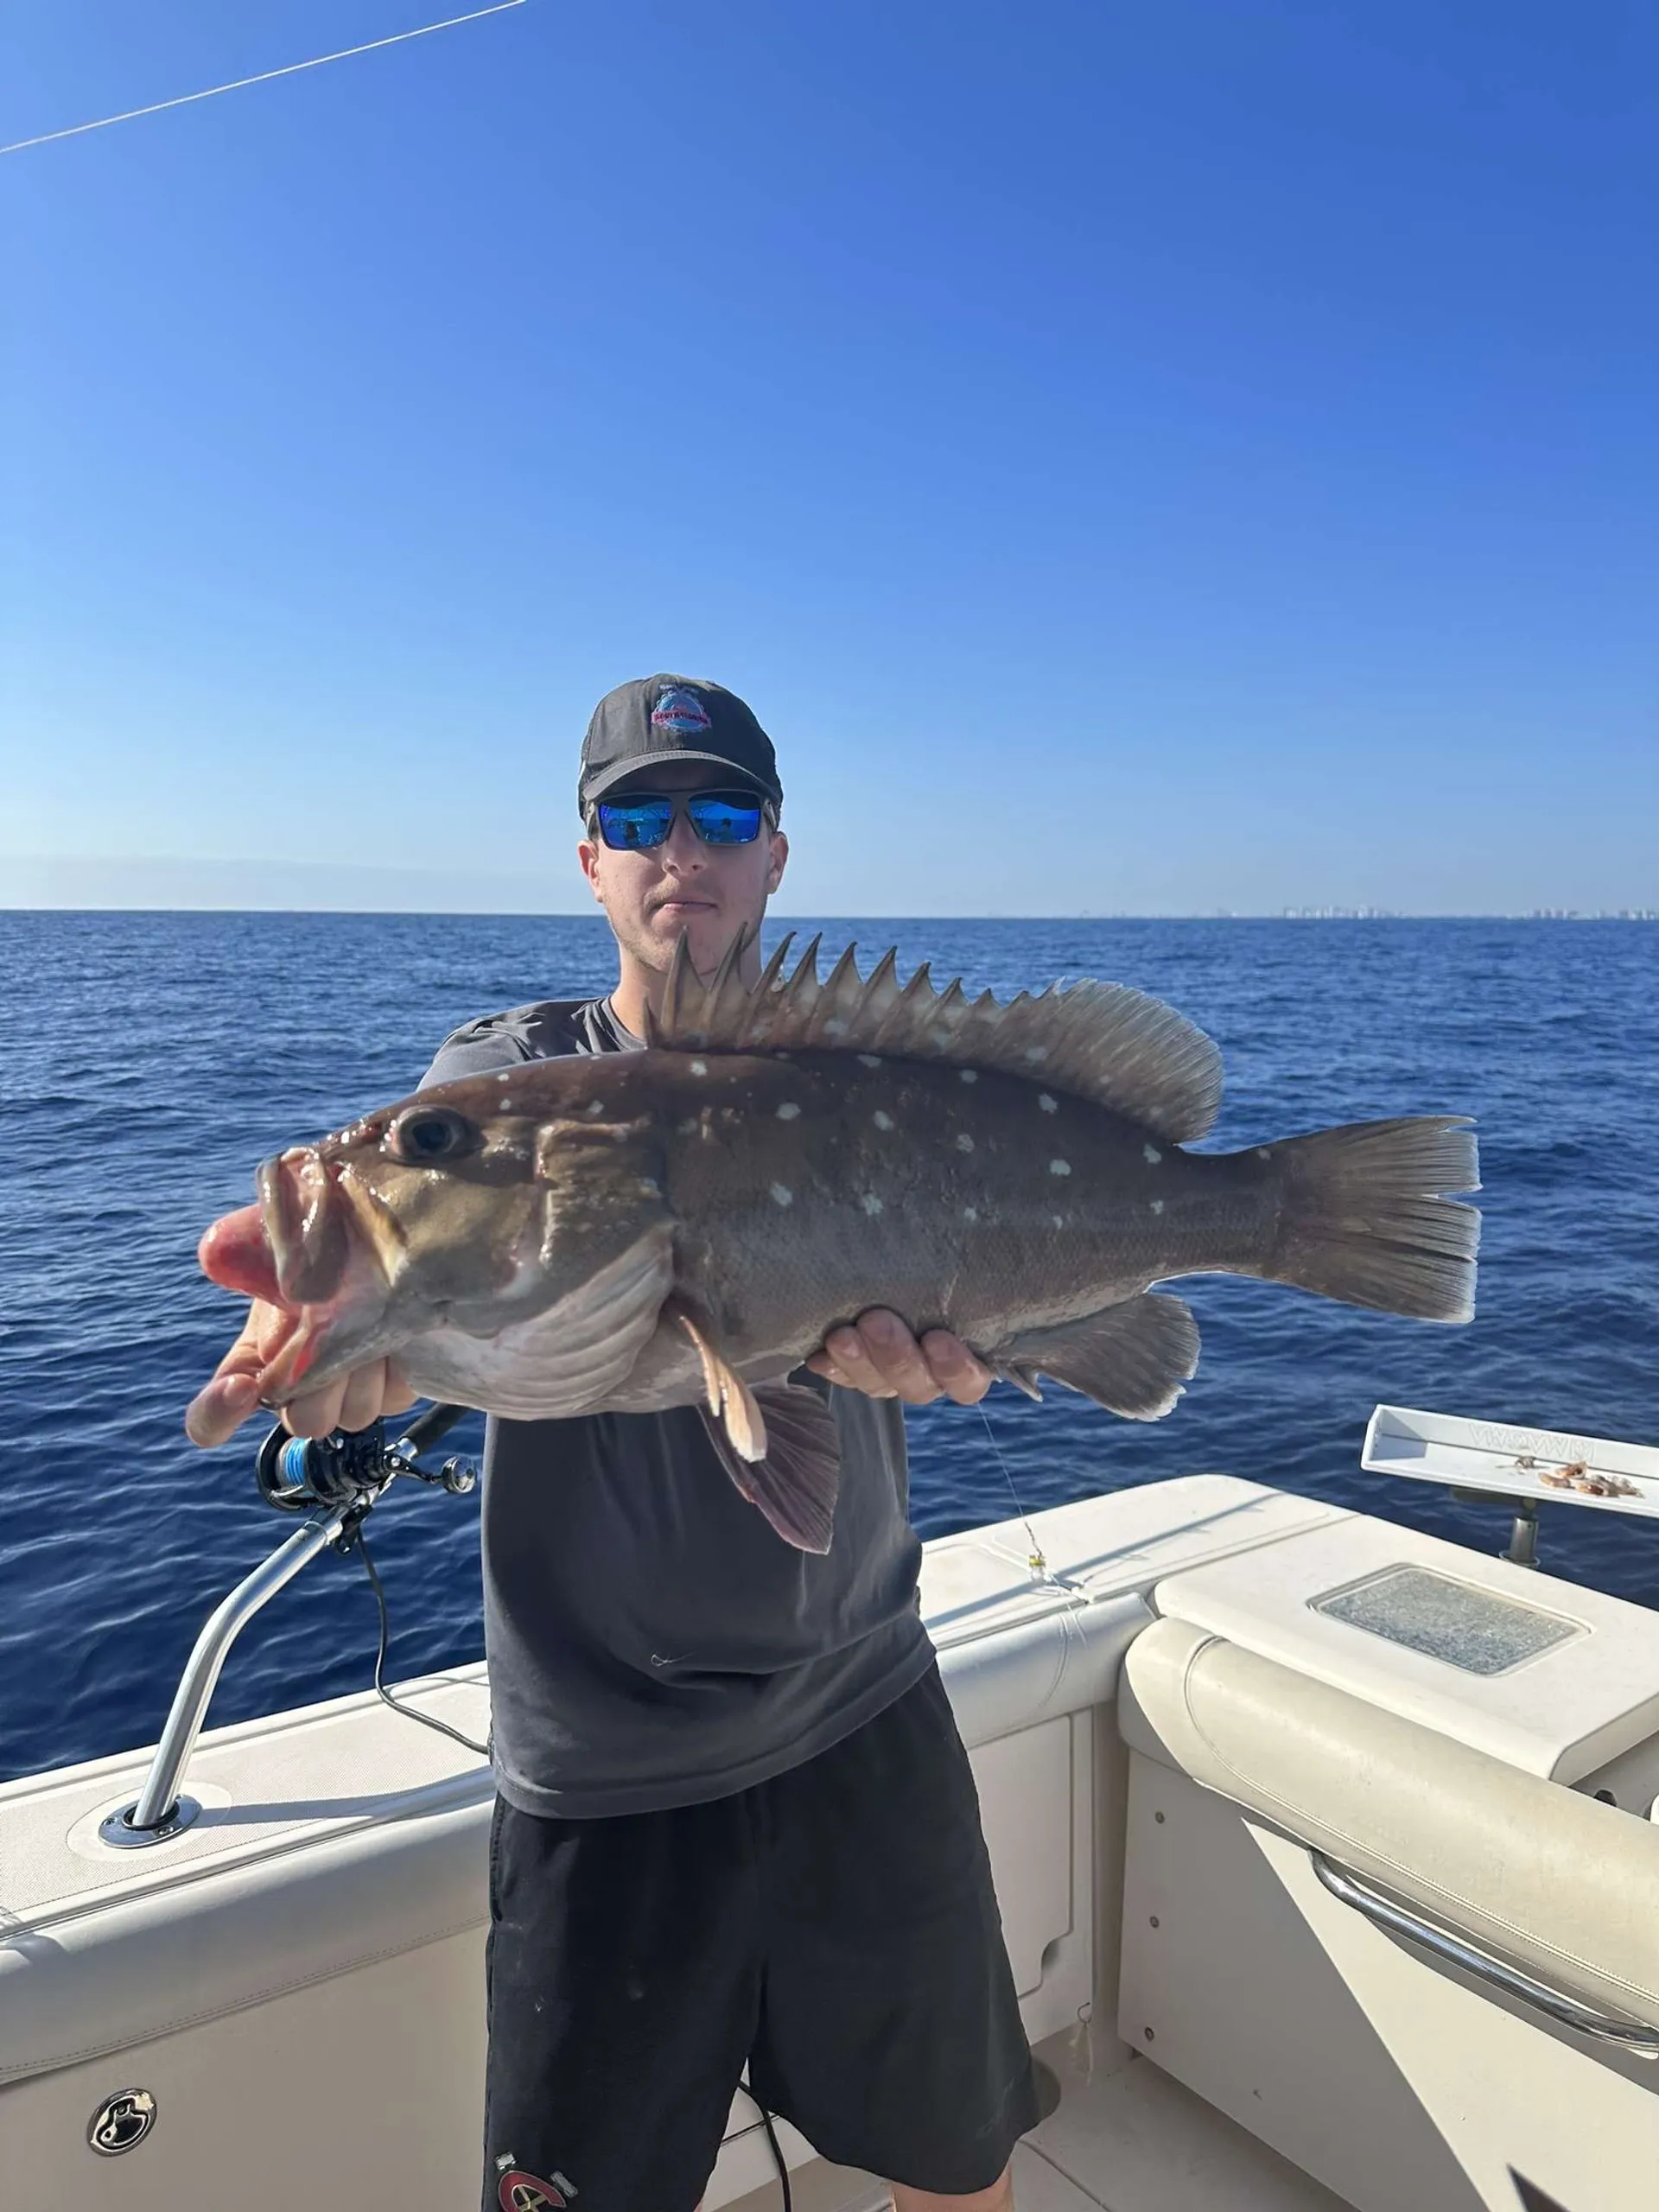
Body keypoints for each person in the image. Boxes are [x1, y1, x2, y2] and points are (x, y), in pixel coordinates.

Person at [188, 675, 1041, 2212]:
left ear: (778, 852)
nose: (680, 852)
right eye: (636, 819)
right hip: (607, 1768)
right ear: (589, 860)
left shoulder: (866, 1081)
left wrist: (970, 1345)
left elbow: (828, 1387)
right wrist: (338, 1343)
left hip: (869, 1707)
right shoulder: (500, 1084)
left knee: (957, 2165)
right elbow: (416, 1226)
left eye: (721, 815)